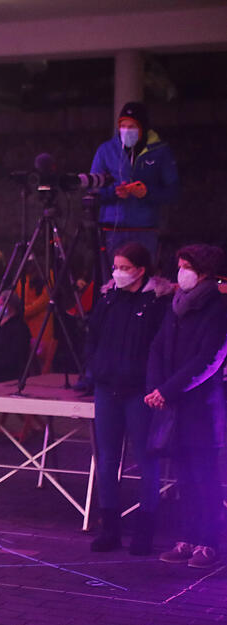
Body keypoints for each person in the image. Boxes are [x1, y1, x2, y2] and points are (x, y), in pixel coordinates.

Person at [86, 242, 172, 555]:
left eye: (124, 267)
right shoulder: (109, 298)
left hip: (140, 392)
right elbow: (93, 336)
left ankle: (144, 531)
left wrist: (154, 385)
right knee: (107, 460)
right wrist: (94, 370)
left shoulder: (157, 303)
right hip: (107, 387)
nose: (118, 273)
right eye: (116, 267)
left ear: (141, 269)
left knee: (146, 459)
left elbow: (160, 346)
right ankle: (110, 527)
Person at [147, 244, 227, 569]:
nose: (180, 272)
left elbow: (208, 358)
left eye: (185, 266)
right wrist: (155, 388)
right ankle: (187, 539)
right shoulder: (176, 307)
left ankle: (210, 544)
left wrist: (168, 390)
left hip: (201, 408)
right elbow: (157, 346)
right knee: (182, 479)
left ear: (204, 271)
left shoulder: (218, 308)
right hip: (175, 406)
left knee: (204, 479)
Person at [91, 101, 179, 271]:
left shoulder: (160, 151)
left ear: (143, 128)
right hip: (112, 229)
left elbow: (173, 191)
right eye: (123, 126)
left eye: (132, 126)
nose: (126, 131)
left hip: (144, 229)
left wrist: (146, 193)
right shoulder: (106, 150)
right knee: (112, 279)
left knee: (143, 278)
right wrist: (114, 192)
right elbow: (93, 189)